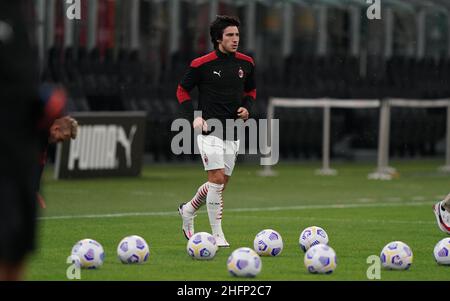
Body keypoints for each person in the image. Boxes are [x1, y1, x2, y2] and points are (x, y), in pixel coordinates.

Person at [176, 15, 256, 247]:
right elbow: (182, 90)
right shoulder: (201, 64)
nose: (235, 39)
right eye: (230, 35)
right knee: (217, 179)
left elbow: (251, 92)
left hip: (233, 130)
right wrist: (195, 117)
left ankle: (188, 209)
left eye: (237, 35)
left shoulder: (247, 63)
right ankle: (217, 234)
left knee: (219, 185)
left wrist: (246, 108)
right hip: (210, 130)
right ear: (218, 38)